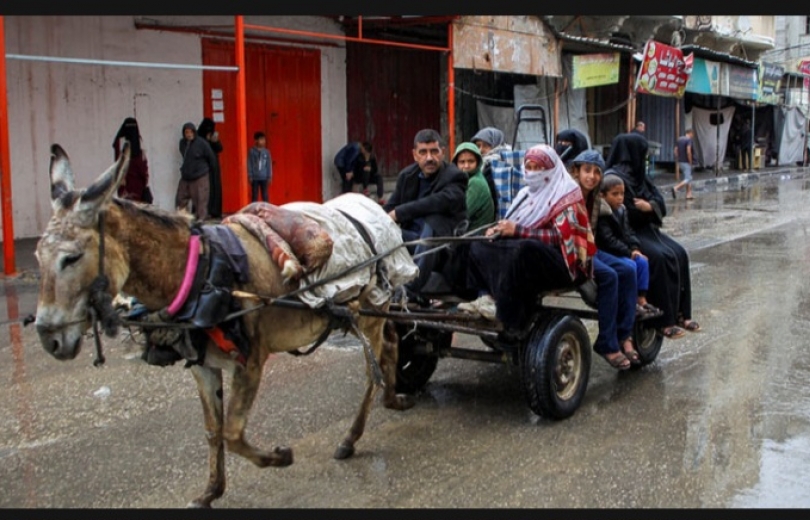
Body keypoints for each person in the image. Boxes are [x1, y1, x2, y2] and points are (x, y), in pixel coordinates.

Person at [462, 144, 596, 342]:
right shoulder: (525, 194)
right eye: (529, 167)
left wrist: (519, 231)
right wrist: (498, 231)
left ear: (551, 169)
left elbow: (563, 239)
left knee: (524, 249)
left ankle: (509, 317)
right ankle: (485, 297)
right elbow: (512, 222)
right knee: (477, 244)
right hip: (530, 255)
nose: (532, 173)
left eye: (538, 168)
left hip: (565, 264)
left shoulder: (567, 195)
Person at [604, 132, 701, 339]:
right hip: (628, 233)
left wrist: (650, 206)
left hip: (648, 230)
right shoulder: (615, 177)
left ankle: (682, 314)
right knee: (658, 257)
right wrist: (647, 208)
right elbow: (628, 209)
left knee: (680, 253)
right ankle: (663, 321)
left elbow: (659, 202)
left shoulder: (640, 176)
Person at [569, 149, 640, 369]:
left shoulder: (597, 198)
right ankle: (607, 343)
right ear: (577, 171)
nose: (591, 176)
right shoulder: (570, 194)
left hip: (591, 248)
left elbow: (604, 222)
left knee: (629, 270)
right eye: (587, 170)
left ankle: (624, 335)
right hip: (574, 250)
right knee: (610, 276)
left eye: (596, 172)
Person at [383, 128, 467, 297]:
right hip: (410, 241)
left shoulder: (455, 176)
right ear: (415, 155)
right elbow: (388, 208)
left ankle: (411, 288)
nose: (429, 158)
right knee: (382, 229)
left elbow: (437, 202)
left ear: (443, 152)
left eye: (434, 151)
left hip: (441, 249)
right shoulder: (407, 176)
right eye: (423, 152)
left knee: (434, 221)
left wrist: (399, 213)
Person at [598, 172, 663, 319]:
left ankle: (642, 298)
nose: (620, 198)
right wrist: (628, 252)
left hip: (622, 249)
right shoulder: (603, 213)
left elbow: (628, 232)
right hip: (608, 251)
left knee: (642, 262)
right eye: (615, 194)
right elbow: (608, 240)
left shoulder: (622, 210)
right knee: (630, 265)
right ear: (602, 195)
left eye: (622, 194)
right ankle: (630, 302)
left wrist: (635, 247)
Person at [451, 142, 496, 233]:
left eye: (471, 161)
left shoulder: (476, 183)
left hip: (474, 237)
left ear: (478, 162)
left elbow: (460, 214)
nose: (466, 166)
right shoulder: (464, 180)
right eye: (462, 162)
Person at [177, 121, 217, 221]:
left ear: (194, 132)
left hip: (200, 175)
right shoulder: (183, 143)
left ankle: (201, 219)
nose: (189, 134)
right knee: (181, 197)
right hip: (186, 176)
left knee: (200, 199)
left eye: (191, 132)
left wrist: (208, 170)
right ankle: (183, 218)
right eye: (187, 132)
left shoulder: (202, 143)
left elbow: (211, 158)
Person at [112, 117, 151, 203]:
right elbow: (143, 166)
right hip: (136, 186)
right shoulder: (139, 142)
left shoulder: (119, 142)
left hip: (124, 185)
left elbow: (118, 164)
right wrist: (145, 180)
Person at [471, 127, 507, 218]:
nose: (480, 150)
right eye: (478, 146)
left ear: (496, 145)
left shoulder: (494, 165)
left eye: (486, 146)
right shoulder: (480, 164)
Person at [197, 117, 223, 219]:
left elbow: (220, 148)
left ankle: (215, 210)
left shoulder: (212, 137)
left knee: (215, 189)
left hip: (214, 167)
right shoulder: (199, 138)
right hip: (205, 167)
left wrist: (215, 141)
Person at [248, 131, 272, 203]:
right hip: (255, 177)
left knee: (265, 195)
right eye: (261, 139)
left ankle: (266, 210)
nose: (263, 141)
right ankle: (254, 210)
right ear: (256, 140)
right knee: (255, 195)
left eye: (264, 140)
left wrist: (269, 176)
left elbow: (268, 164)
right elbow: (250, 163)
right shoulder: (252, 151)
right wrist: (250, 175)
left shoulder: (266, 152)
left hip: (264, 177)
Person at [671, 128, 695, 200]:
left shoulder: (679, 139)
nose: (692, 136)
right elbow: (688, 151)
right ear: (690, 133)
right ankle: (675, 188)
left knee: (688, 177)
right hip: (686, 162)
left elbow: (675, 150)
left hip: (680, 161)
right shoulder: (688, 140)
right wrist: (690, 161)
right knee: (688, 178)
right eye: (692, 134)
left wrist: (678, 158)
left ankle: (688, 194)